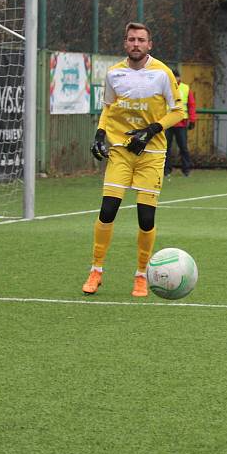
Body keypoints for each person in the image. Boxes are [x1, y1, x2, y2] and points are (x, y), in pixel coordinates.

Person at [82, 22, 187, 297]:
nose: (136, 44)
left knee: (145, 217)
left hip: (151, 154)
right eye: (131, 39)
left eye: (141, 40)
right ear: (125, 43)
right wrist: (99, 134)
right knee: (107, 210)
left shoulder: (162, 74)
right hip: (120, 151)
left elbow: (178, 112)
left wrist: (150, 131)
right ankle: (96, 270)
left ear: (149, 45)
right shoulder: (114, 74)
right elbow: (107, 108)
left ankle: (141, 275)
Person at [164, 68, 196, 177]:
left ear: (179, 77)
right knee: (165, 147)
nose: (175, 79)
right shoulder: (165, 87)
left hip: (181, 122)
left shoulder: (185, 88)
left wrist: (192, 119)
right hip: (167, 121)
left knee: (183, 147)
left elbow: (191, 105)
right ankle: (166, 170)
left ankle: (186, 170)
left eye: (176, 76)